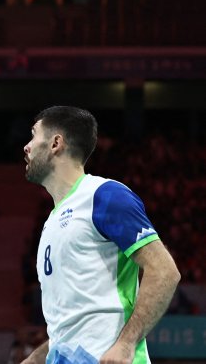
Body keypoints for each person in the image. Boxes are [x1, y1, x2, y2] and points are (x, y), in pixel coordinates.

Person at [20, 106, 180, 364]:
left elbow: (165, 271)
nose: (26, 147)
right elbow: (73, 323)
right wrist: (37, 358)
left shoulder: (104, 195)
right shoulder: (50, 223)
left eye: (33, 136)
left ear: (55, 143)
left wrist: (126, 344)